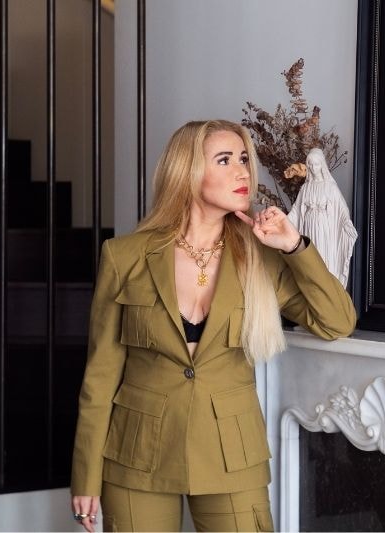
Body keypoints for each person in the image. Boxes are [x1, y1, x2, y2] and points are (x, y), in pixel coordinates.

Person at [70, 119, 356, 532]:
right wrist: (85, 475)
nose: (242, 172)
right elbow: (100, 377)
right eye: (224, 160)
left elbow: (337, 322)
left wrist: (294, 246)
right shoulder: (125, 256)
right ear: (186, 171)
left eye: (244, 159)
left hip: (231, 453)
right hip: (136, 453)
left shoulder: (261, 257)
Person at [287, 148, 358, 286]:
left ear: (322, 165)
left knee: (323, 255)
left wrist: (346, 223)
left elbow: (341, 208)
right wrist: (284, 222)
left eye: (316, 164)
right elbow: (296, 210)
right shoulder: (306, 188)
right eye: (311, 165)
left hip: (324, 228)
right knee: (309, 257)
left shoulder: (330, 187)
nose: (313, 168)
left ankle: (325, 286)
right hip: (308, 226)